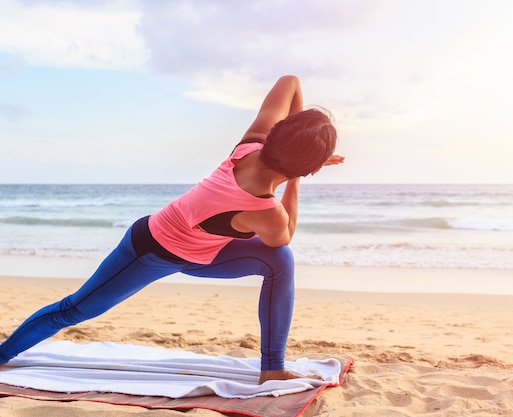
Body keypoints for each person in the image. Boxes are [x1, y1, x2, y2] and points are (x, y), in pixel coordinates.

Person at [0, 75, 344, 384]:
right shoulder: (266, 211)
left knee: (279, 260)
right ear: (308, 167)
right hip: (148, 251)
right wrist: (298, 175)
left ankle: (272, 367)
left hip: (202, 253)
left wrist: (297, 145)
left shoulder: (252, 142)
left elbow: (290, 83)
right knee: (75, 309)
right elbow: (285, 231)